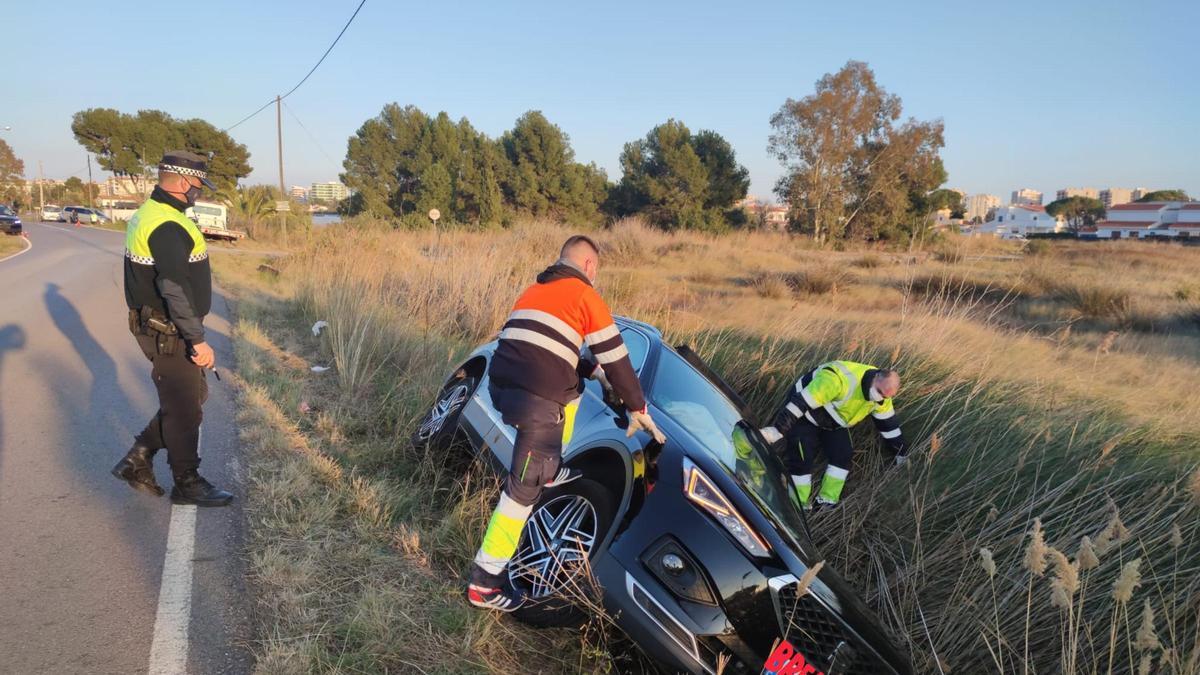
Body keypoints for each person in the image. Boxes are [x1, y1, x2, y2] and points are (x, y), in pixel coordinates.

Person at [467, 235, 666, 611]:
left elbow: (548, 350)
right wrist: (638, 406)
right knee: (522, 492)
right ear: (590, 266)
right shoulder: (586, 297)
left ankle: (551, 465)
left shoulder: (534, 292)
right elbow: (619, 362)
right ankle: (485, 581)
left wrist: (591, 371)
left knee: (571, 390)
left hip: (503, 387)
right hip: (537, 402)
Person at [110, 151, 233, 507]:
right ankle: (187, 483)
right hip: (168, 331)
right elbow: (174, 288)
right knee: (185, 410)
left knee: (191, 399)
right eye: (197, 185)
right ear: (182, 182)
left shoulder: (152, 213)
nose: (199, 192)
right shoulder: (166, 224)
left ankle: (138, 458)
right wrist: (197, 339)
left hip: (162, 327)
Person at [759, 361, 908, 511]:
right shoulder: (839, 379)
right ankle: (797, 506)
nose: (879, 398)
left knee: (843, 455)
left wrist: (901, 453)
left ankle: (826, 502)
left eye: (886, 397)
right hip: (805, 412)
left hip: (833, 420)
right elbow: (800, 403)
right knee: (802, 456)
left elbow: (888, 425)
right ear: (876, 377)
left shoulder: (882, 398)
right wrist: (778, 430)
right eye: (879, 392)